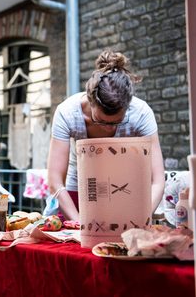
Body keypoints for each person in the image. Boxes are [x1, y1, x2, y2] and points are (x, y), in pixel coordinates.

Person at [47, 49, 165, 221]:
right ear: (90, 100)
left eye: (117, 122)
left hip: (126, 189)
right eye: (101, 121)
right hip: (79, 190)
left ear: (128, 106)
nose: (109, 129)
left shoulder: (140, 113)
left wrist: (141, 217)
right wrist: (80, 225)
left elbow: (158, 180)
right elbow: (55, 180)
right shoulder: (67, 113)